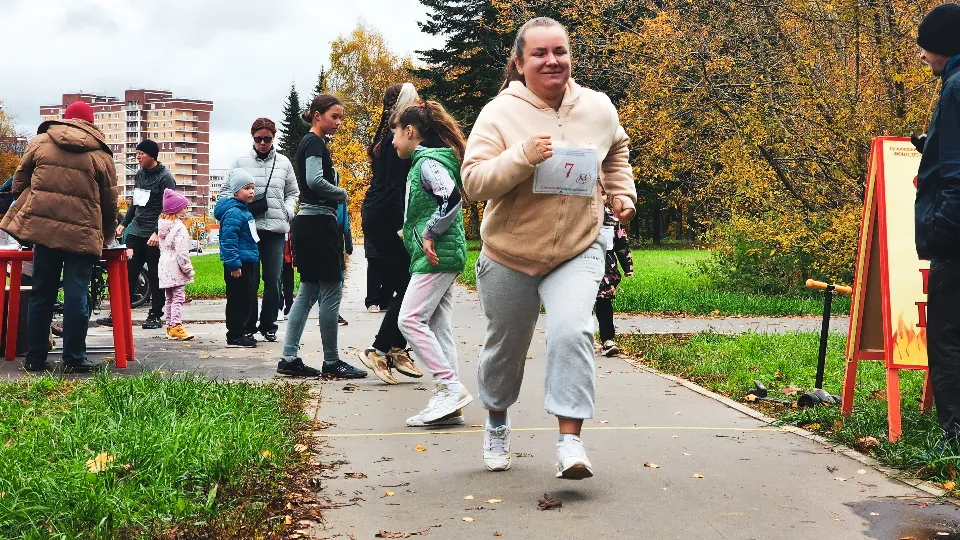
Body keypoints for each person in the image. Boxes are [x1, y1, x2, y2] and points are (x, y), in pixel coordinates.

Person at [462, 17, 637, 479]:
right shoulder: (499, 113)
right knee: (506, 347)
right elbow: (475, 182)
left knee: (572, 331)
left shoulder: (597, 107)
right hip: (509, 253)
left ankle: (570, 443)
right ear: (519, 63)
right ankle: (497, 420)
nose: (552, 61)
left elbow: (616, 151)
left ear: (570, 56)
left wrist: (623, 195)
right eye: (539, 54)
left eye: (559, 51)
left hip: (578, 248)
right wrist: (521, 156)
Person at [0, 101, 118, 372]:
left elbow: (18, 183)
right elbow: (110, 202)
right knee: (77, 293)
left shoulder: (40, 142)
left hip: (44, 231)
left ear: (66, 119)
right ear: (90, 122)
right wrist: (108, 235)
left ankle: (35, 358)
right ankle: (74, 359)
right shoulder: (100, 154)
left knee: (42, 292)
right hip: (83, 233)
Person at [390, 101, 473, 427]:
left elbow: (450, 197)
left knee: (409, 320)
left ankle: (449, 388)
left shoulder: (426, 161)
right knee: (438, 328)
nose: (393, 141)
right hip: (441, 254)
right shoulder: (427, 161)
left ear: (410, 131)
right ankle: (449, 403)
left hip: (436, 255)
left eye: (394, 133)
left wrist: (428, 233)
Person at [279, 94, 367, 378]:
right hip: (318, 224)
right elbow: (315, 180)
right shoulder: (314, 142)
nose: (339, 122)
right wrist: (341, 194)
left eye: (341, 117)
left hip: (308, 224)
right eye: (334, 116)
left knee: (307, 293)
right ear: (317, 115)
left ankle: (289, 357)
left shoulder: (310, 142)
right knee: (330, 291)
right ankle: (331, 361)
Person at [913, 3, 960, 444]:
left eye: (925, 45)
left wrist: (944, 228)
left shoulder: (956, 87)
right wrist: (930, 145)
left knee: (947, 339)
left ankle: (955, 439)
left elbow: (958, 171)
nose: (921, 54)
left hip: (955, 242)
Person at [358, 83, 424, 384]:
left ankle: (396, 348)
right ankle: (381, 349)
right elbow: (395, 187)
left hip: (378, 214)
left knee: (405, 286)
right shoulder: (395, 140)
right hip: (386, 217)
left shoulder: (387, 135)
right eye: (415, 99)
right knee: (410, 286)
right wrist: (401, 226)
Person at [226, 118, 298, 342]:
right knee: (250, 280)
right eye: (259, 139)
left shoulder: (284, 163)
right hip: (248, 230)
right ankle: (248, 325)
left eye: (267, 139)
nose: (263, 143)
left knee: (274, 279)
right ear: (253, 138)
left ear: (273, 138)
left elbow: (293, 193)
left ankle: (269, 323)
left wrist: (287, 211)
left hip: (275, 229)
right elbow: (226, 192)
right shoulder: (239, 161)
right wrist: (240, 209)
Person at [117, 138, 175, 330]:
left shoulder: (165, 177)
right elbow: (136, 202)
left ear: (151, 155)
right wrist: (124, 224)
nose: (138, 157)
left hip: (154, 234)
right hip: (136, 231)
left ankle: (155, 315)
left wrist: (158, 232)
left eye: (141, 153)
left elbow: (169, 208)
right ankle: (120, 312)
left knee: (155, 274)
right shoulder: (140, 174)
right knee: (128, 272)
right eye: (136, 154)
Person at [215, 169, 261, 348]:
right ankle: (234, 335)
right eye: (247, 188)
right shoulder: (234, 212)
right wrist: (233, 264)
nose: (251, 192)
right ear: (235, 191)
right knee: (238, 300)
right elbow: (228, 240)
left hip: (246, 261)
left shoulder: (243, 211)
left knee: (245, 298)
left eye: (252, 188)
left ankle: (241, 332)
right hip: (238, 264)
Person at [596, 197, 634, 357]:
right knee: (579, 304)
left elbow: (621, 243)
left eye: (605, 194)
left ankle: (608, 340)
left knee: (604, 305)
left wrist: (628, 266)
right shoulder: (577, 216)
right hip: (579, 267)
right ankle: (573, 339)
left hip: (606, 270)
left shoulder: (612, 220)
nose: (601, 197)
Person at [157, 188, 195, 341]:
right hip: (176, 268)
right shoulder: (179, 228)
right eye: (184, 206)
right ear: (177, 209)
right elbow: (182, 252)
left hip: (164, 266)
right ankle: (176, 326)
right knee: (178, 298)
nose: (186, 208)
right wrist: (188, 269)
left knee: (169, 298)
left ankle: (169, 325)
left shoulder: (162, 226)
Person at [335, 201, 352, 327]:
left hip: (317, 239)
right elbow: (345, 226)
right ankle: (333, 312)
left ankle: (322, 310)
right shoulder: (340, 199)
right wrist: (349, 245)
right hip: (336, 242)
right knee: (338, 278)